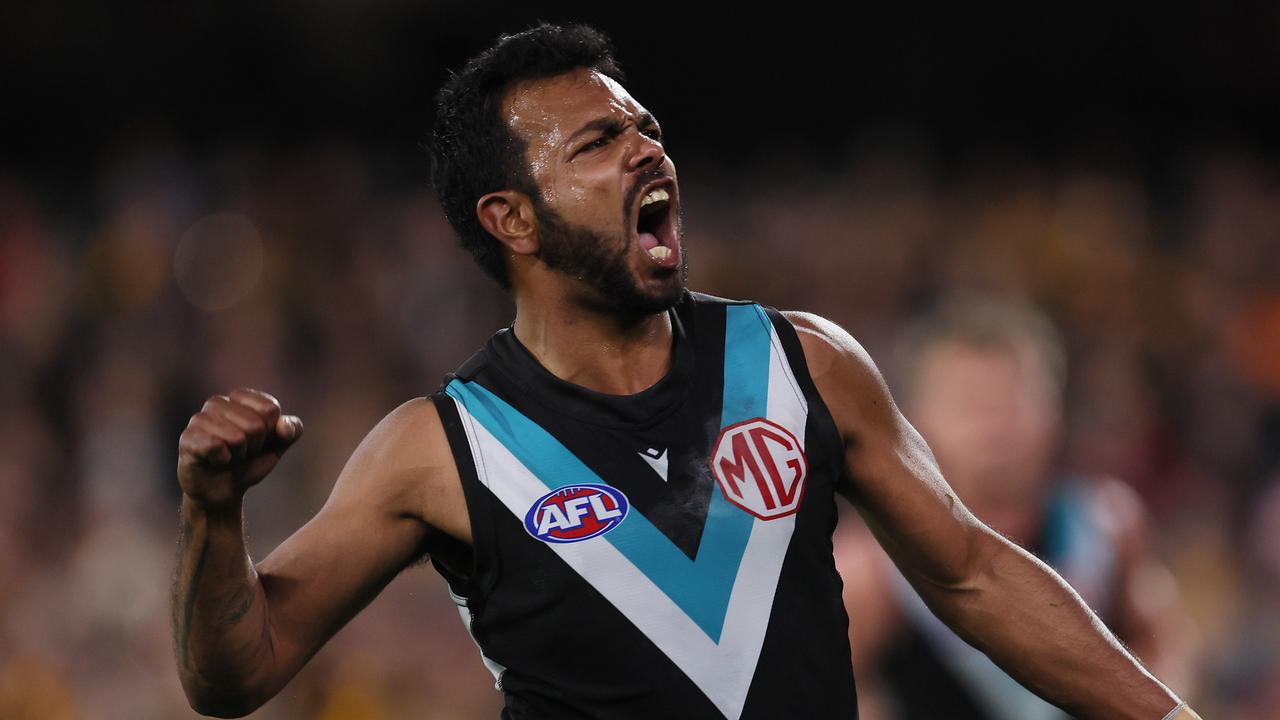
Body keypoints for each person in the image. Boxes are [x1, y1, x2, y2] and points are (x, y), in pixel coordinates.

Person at [170, 21, 1201, 720]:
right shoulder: (438, 448)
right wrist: (212, 520)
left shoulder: (804, 364)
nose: (646, 152)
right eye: (596, 141)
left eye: (645, 128)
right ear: (511, 219)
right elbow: (237, 671)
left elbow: (969, 573)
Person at [834, 296, 1198, 720]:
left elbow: (1162, 643)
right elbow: (830, 690)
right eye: (972, 405)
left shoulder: (1108, 524)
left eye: (1014, 400)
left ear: (1056, 406)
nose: (997, 426)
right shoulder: (872, 567)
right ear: (914, 419)